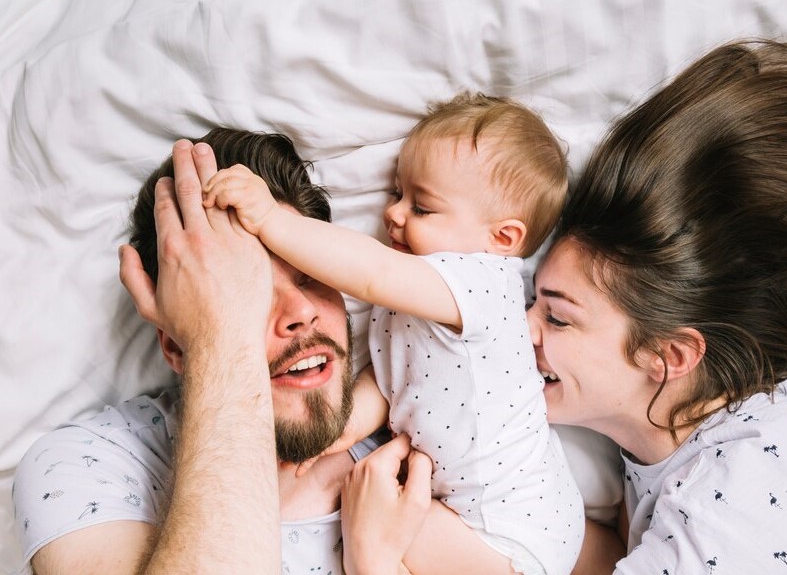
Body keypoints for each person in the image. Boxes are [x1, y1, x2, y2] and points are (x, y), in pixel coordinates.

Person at [346, 40, 787, 574]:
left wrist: (374, 556)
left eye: (555, 317)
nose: (519, 328)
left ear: (669, 355)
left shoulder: (743, 499)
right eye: (533, 303)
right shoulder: (732, 425)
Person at [202, 92, 586, 574]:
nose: (394, 215)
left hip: (512, 528)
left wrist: (271, 220)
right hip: (482, 516)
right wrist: (336, 435)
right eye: (395, 193)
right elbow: (389, 387)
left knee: (381, 521)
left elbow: (369, 271)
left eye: (422, 207)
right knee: (385, 511)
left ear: (502, 239)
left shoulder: (484, 284)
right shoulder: (415, 304)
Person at [12, 128, 425, 574]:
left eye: (309, 273)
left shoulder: (421, 443)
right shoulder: (87, 464)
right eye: (253, 291)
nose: (302, 311)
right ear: (176, 343)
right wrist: (220, 337)